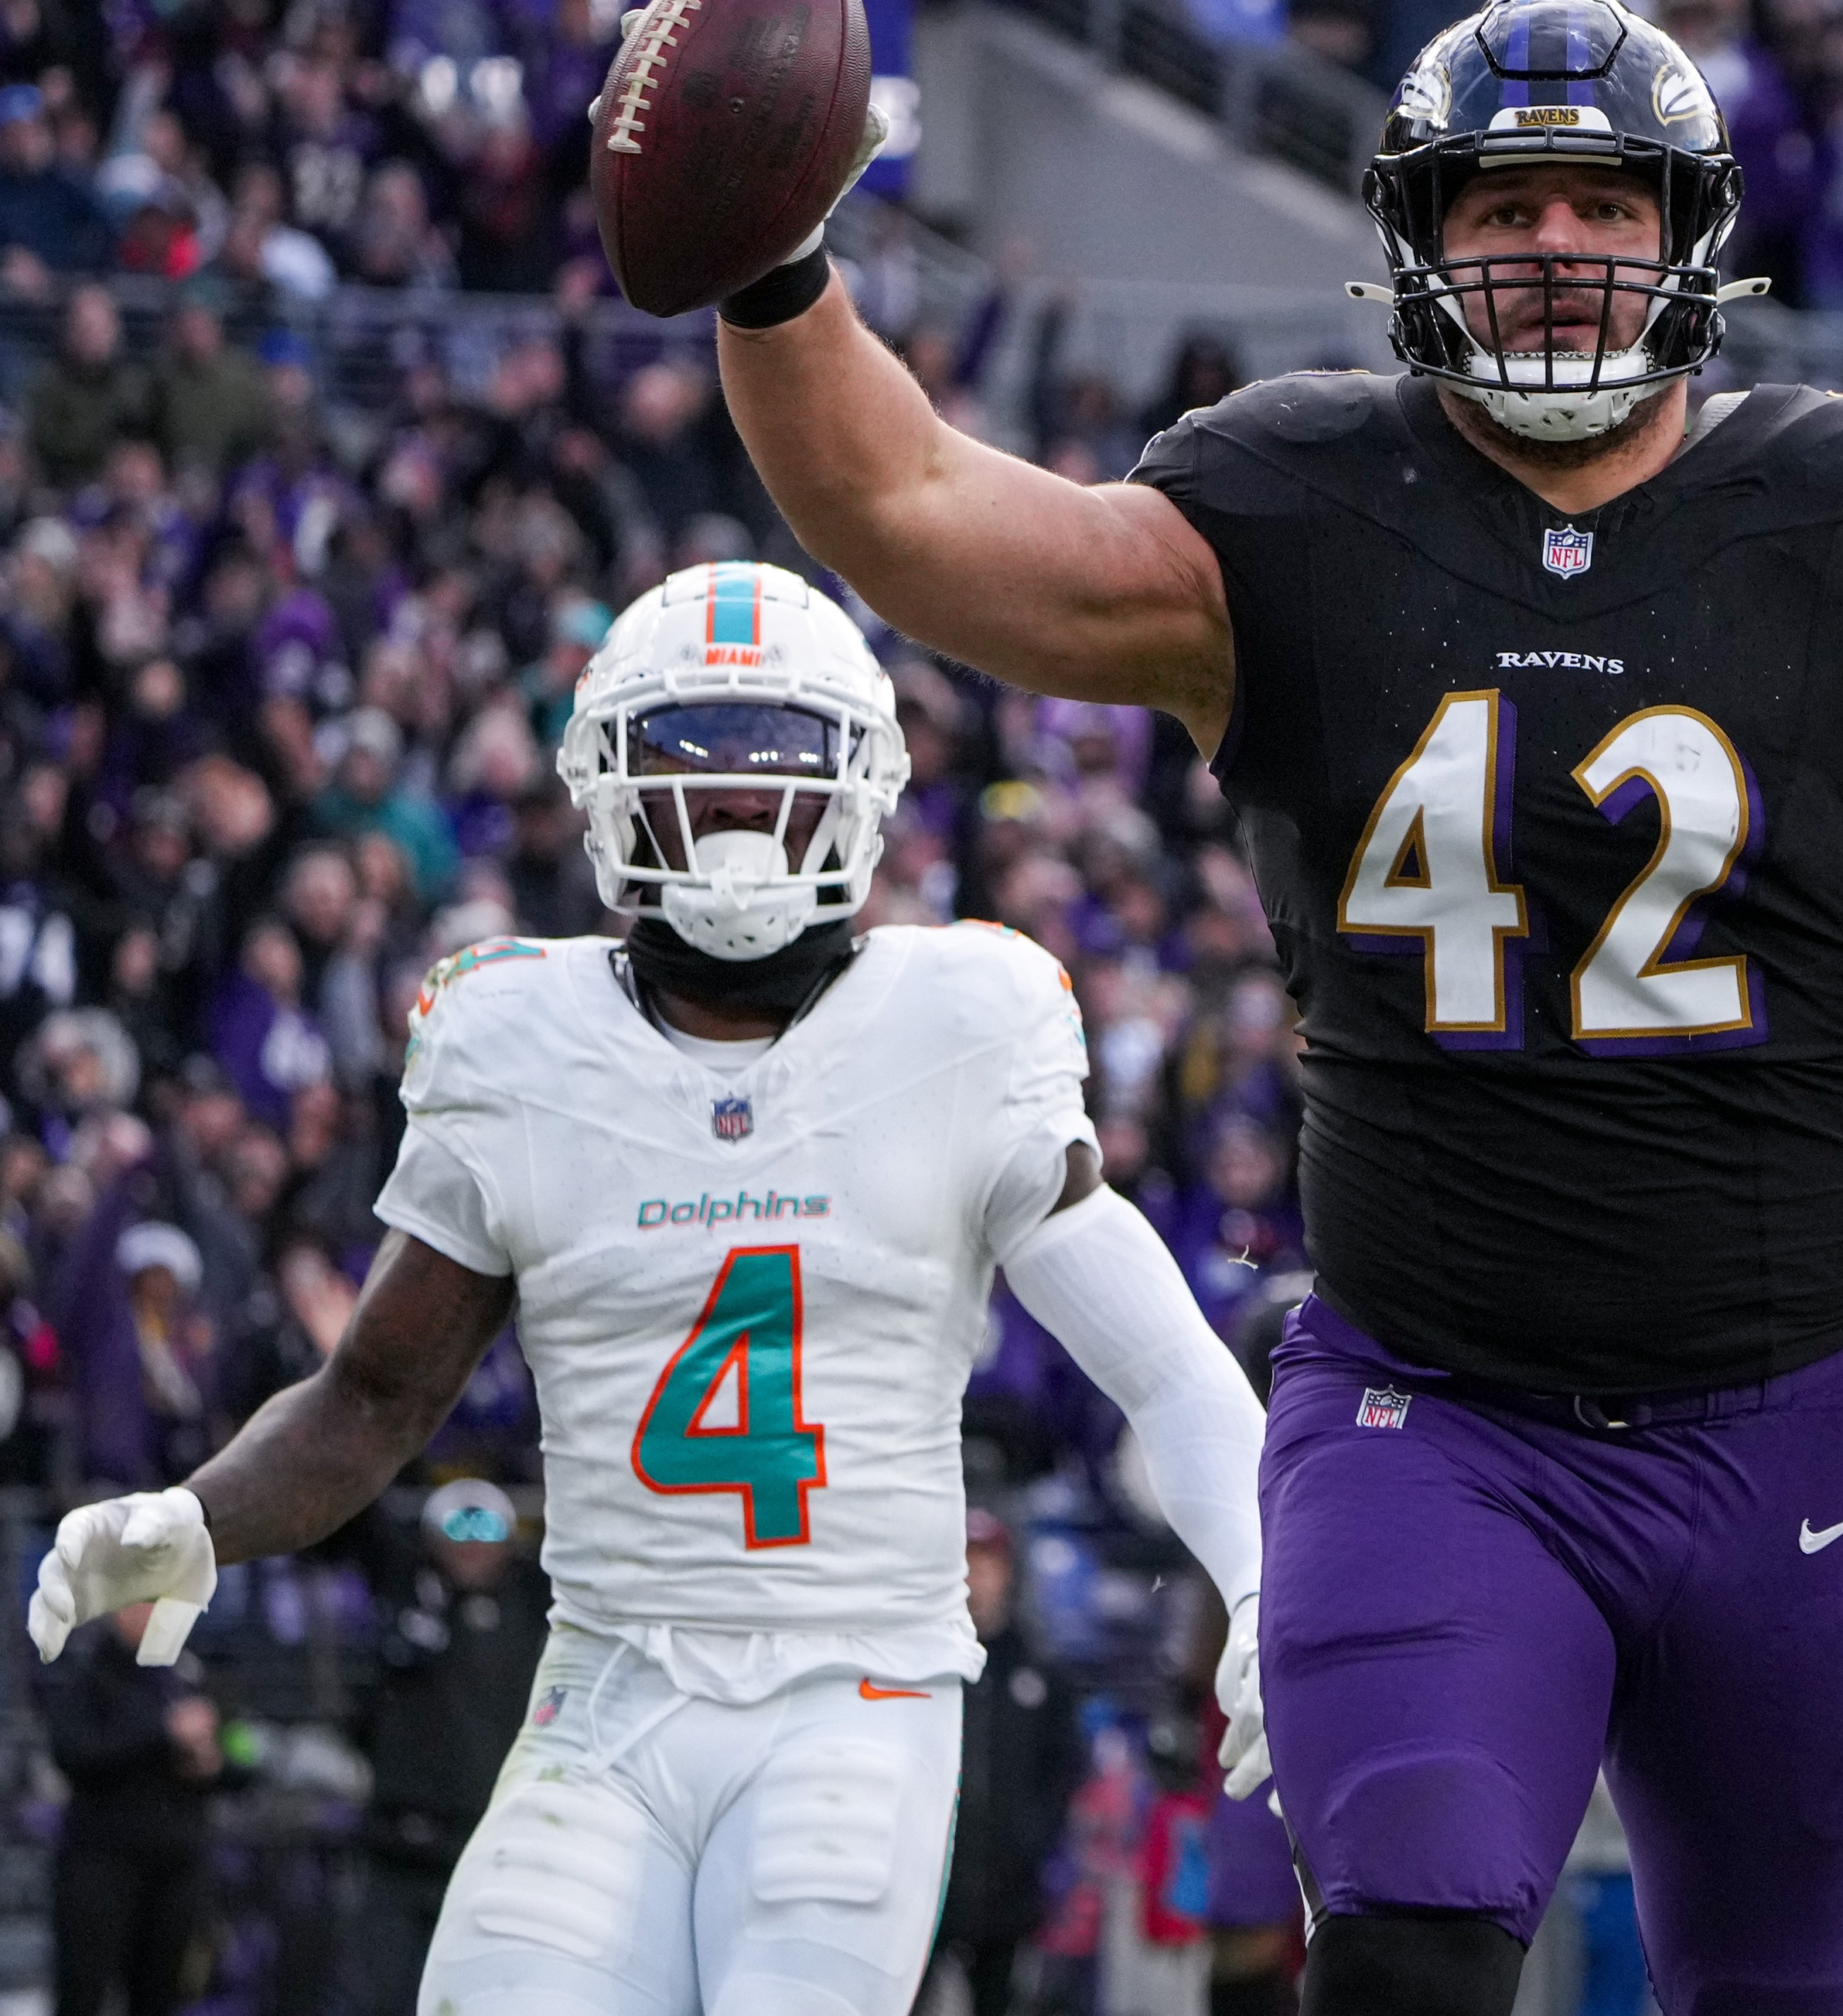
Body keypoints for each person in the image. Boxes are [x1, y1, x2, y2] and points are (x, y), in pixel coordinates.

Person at [681, 0, 1843, 2013]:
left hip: (1786, 1441)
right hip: (1434, 1426)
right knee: (1404, 1948)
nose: (1554, 244)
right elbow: (916, 509)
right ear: (1417, 236)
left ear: (1687, 234)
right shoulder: (1296, 509)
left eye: (1602, 202)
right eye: (1501, 203)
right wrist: (773, 269)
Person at [25, 562, 1273, 2016]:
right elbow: (370, 1398)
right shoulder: (518, 1036)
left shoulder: (955, 1023)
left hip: (855, 1685)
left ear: (859, 792)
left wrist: (1267, 1583)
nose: (736, 808)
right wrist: (198, 1516)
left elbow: (1165, 1364)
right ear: (607, 789)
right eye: (693, 764)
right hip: (605, 1692)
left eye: (777, 769)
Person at [339, 1478, 554, 2016]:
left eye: (488, 1530)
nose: (472, 1544)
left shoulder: (532, 1608)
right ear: (430, 1538)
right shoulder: (402, 1599)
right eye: (458, 1529)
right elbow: (358, 1525)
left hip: (500, 1844)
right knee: (386, 1993)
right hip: (403, 1845)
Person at [933, 1509, 1085, 2016]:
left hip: (1008, 1890)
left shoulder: (1039, 1669)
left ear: (1008, 1572)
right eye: (965, 1563)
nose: (975, 1578)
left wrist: (1034, 1837)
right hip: (929, 1883)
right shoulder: (923, 1665)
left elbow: (1064, 1766)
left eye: (986, 1563)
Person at [44, 1601, 220, 2016]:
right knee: (84, 1991)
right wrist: (165, 1733)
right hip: (101, 1862)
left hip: (173, 1862)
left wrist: (215, 1761)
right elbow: (75, 1753)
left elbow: (238, 1750)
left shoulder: (187, 1672)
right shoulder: (87, 1668)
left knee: (160, 1993)